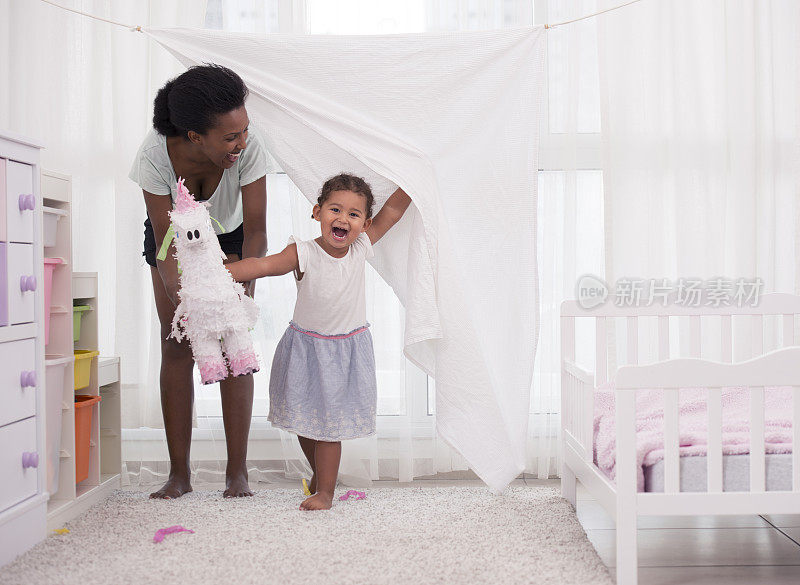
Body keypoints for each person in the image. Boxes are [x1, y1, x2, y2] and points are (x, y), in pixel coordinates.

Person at [129, 64, 277, 499]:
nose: (241, 142)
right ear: (195, 136)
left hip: (232, 236)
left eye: (243, 131)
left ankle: (237, 473)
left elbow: (257, 230)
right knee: (177, 344)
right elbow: (165, 240)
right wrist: (186, 301)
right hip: (175, 240)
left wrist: (242, 293)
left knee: (235, 343)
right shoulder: (154, 156)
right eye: (230, 137)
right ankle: (179, 475)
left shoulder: (249, 149)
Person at [226, 173, 411, 510]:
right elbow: (264, 265)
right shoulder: (304, 251)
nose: (343, 219)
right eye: (335, 210)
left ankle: (325, 491)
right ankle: (319, 476)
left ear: (364, 223)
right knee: (304, 421)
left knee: (328, 429)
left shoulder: (360, 247)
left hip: (344, 352)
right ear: (317, 212)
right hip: (305, 350)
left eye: (354, 215)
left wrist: (414, 178)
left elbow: (393, 213)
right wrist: (221, 273)